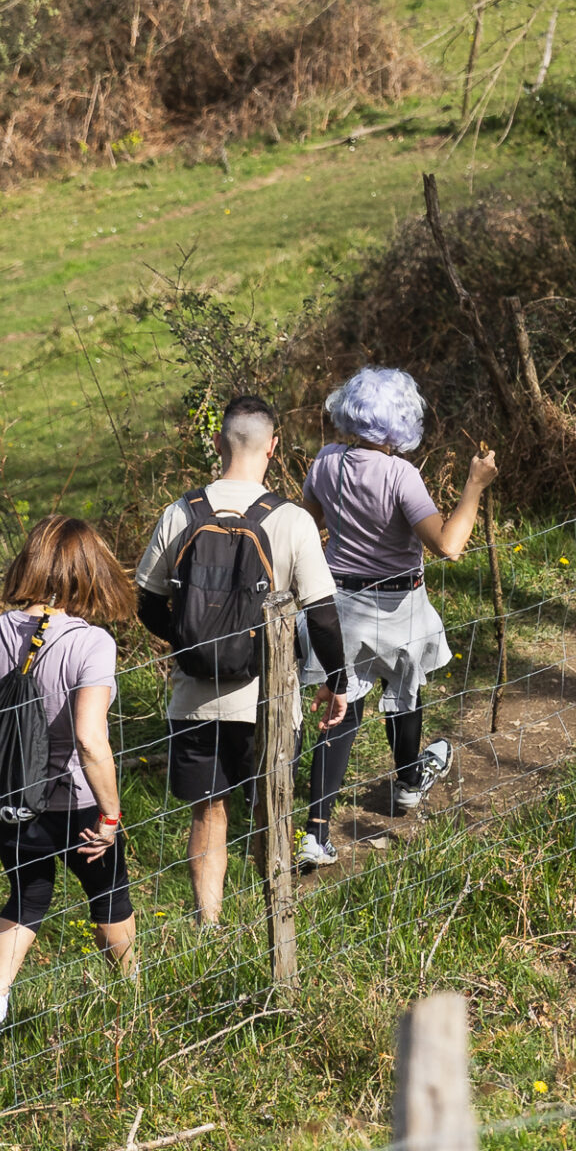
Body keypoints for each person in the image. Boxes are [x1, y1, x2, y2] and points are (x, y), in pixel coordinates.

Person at [135, 394, 349, 926]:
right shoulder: (292, 520)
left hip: (194, 698)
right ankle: (273, 918)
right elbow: (322, 615)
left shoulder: (180, 512)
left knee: (209, 811)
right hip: (267, 700)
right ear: (273, 447)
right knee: (269, 806)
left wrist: (191, 645)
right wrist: (336, 681)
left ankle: (209, 924)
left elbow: (147, 602)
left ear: (217, 442)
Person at [0, 516, 139, 1057]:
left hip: (8, 798)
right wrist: (110, 814)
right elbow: (89, 739)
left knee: (26, 895)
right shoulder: (92, 643)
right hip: (77, 802)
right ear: (90, 572)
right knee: (108, 896)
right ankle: (133, 1000)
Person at [301, 368, 496, 856]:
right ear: (402, 422)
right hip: (397, 603)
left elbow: (310, 525)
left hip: (338, 602)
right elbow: (448, 545)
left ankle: (315, 832)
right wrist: (475, 484)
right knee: (404, 690)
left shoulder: (326, 462)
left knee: (341, 706)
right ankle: (409, 780)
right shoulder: (400, 475)